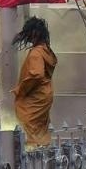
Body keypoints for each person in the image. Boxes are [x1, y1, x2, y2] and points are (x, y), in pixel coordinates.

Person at [12, 17, 56, 148]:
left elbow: (36, 74)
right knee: (40, 128)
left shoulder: (36, 53)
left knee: (28, 126)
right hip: (44, 94)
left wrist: (21, 89)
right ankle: (43, 152)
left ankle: (32, 154)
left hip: (34, 97)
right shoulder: (46, 51)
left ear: (34, 33)